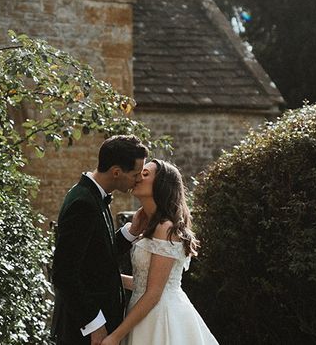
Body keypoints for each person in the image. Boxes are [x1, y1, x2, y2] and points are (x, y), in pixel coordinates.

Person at [100, 159, 219, 345]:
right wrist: (108, 278)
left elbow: (154, 293)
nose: (138, 177)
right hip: (142, 313)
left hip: (161, 317)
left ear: (161, 184)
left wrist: (115, 336)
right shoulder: (148, 224)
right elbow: (143, 283)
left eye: (145, 174)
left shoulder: (165, 227)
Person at [51, 135, 149, 345]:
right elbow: (64, 273)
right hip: (83, 331)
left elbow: (95, 257)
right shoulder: (83, 203)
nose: (138, 179)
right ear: (116, 172)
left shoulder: (94, 196)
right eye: (135, 174)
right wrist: (94, 324)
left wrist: (131, 231)